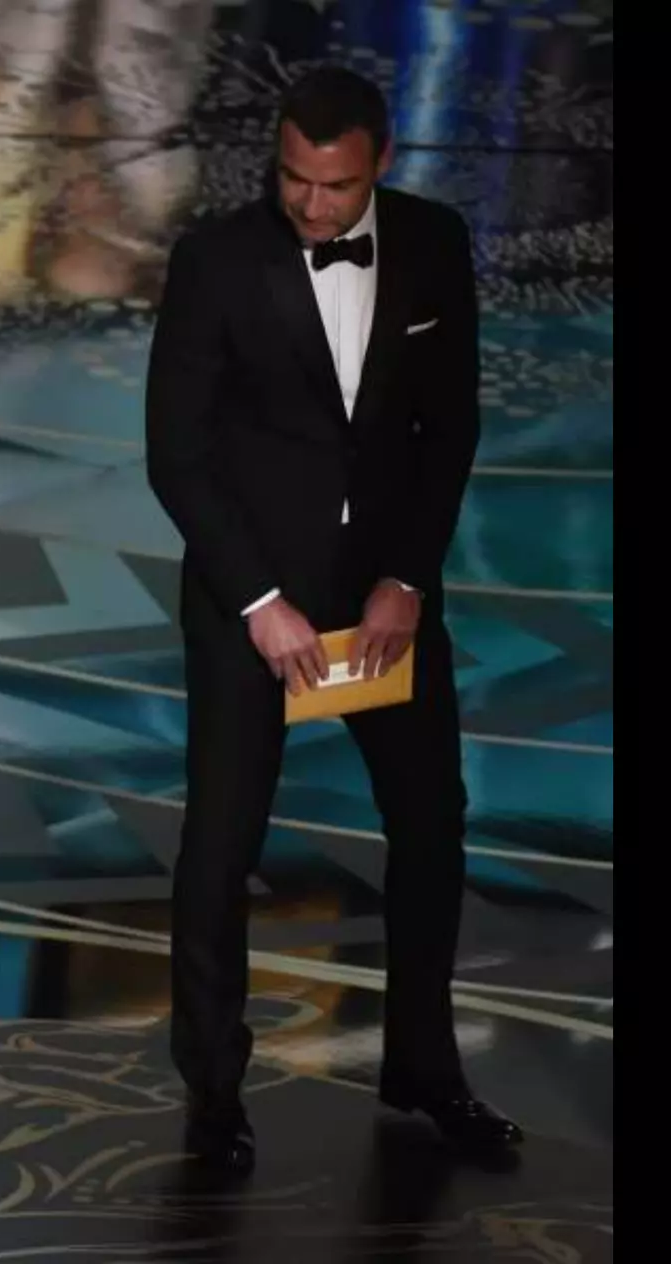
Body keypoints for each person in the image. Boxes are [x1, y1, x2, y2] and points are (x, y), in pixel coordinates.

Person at [144, 66, 523, 1175]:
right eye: (293, 180)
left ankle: (420, 1066)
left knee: (429, 827)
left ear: (381, 161)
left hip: (381, 610)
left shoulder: (431, 244)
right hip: (249, 605)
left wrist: (407, 576)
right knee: (217, 848)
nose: (310, 205)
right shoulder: (213, 260)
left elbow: (446, 426)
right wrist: (259, 603)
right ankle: (213, 1092)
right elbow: (177, 452)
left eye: (334, 185)